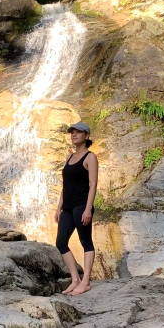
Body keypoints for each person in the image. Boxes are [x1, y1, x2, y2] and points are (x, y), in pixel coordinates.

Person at [55, 121, 98, 295]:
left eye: (78, 132)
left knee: (85, 241)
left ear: (86, 136)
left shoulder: (90, 157)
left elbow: (93, 184)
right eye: (72, 132)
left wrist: (88, 209)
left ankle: (86, 281)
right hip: (67, 207)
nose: (74, 134)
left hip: (82, 205)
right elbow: (65, 186)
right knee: (60, 242)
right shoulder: (69, 157)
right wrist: (59, 208)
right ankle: (75, 279)